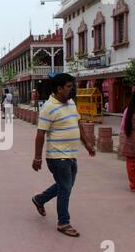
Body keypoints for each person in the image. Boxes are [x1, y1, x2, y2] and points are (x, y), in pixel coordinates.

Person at [31, 73, 96, 238]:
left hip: (71, 154)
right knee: (65, 188)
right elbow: (40, 134)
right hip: (57, 156)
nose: (71, 90)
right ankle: (63, 222)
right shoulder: (48, 107)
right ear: (59, 89)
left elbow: (78, 123)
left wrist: (87, 143)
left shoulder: (71, 102)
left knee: (65, 185)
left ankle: (40, 199)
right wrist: (37, 158)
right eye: (68, 87)